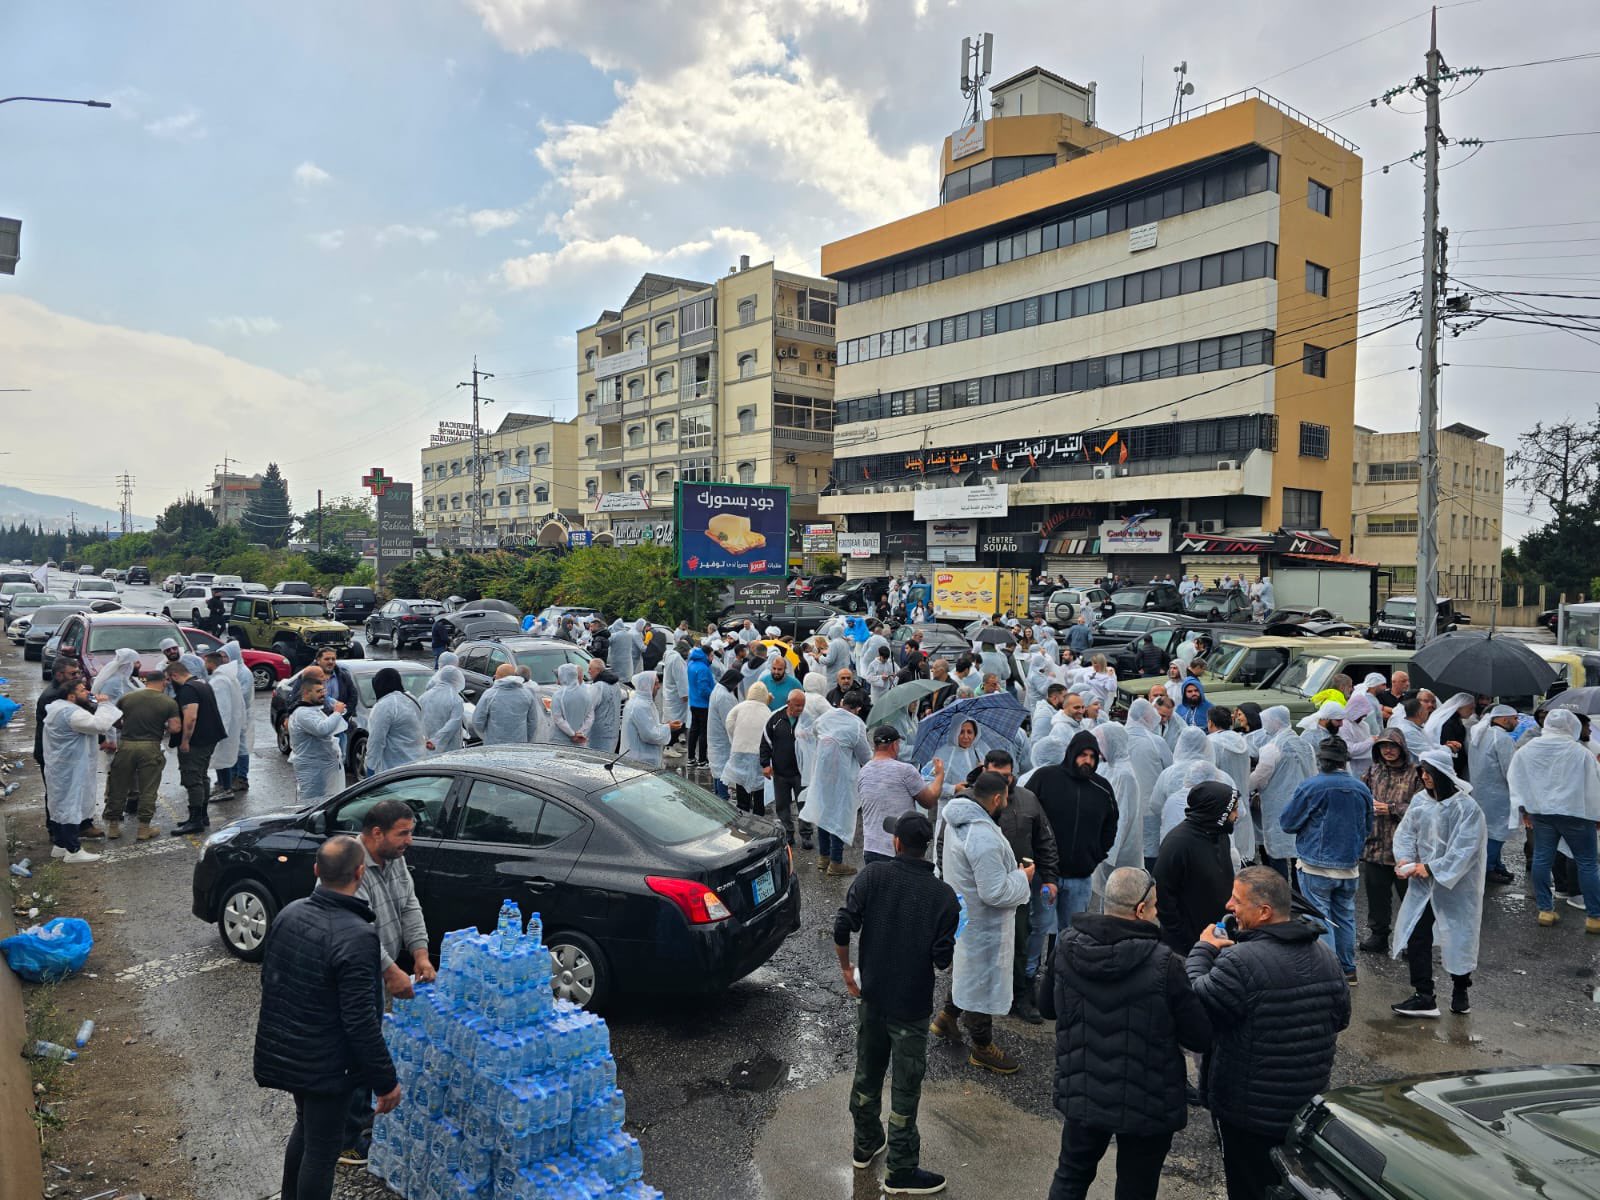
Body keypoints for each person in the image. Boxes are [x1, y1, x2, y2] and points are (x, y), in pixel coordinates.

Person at [1037, 866, 1211, 1200]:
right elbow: (1199, 1037)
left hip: (1083, 1088)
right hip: (1147, 1099)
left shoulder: (1067, 945)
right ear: (1140, 909)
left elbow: (1047, 1008)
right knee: (1137, 1188)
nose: (1157, 912)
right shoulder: (1165, 963)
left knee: (1071, 1175)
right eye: (1155, 905)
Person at [1187, 867, 1349, 1200]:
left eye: (1237, 900)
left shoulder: (1239, 962)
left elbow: (1196, 1004)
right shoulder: (1327, 957)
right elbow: (1340, 1019)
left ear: (1264, 912)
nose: (1229, 905)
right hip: (1303, 1109)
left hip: (1247, 1114)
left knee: (1248, 1187)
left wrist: (1203, 950)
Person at [254, 835, 400, 1200]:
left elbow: (271, 980)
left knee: (306, 1129)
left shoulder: (290, 913)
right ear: (360, 874)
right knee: (322, 1152)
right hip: (328, 1066)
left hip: (291, 1052)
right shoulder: (358, 935)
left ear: (317, 870)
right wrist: (386, 1082)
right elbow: (361, 1021)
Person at [833, 811, 961, 1197]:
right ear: (926, 849)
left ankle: (865, 1143)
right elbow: (942, 961)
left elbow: (843, 924)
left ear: (897, 843)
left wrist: (847, 971)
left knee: (867, 1074)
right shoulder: (944, 897)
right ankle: (901, 1169)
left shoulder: (874, 876)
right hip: (911, 1008)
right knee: (905, 1090)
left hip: (872, 999)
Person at [344, 798, 436, 1160]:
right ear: (376, 833)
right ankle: (348, 1138)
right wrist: (390, 970)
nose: (409, 840)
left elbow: (409, 905)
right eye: (403, 833)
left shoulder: (394, 860)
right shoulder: (351, 867)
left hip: (379, 970)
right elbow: (358, 930)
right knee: (357, 1050)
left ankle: (365, 1116)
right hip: (356, 974)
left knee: (374, 1044)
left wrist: (420, 954)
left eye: (411, 832)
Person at [930, 771, 1033, 1074]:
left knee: (968, 970)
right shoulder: (982, 836)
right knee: (981, 981)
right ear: (998, 798)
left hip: (966, 914)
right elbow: (995, 892)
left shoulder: (958, 822)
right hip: (984, 924)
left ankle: (947, 1017)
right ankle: (982, 1046)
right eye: (1007, 799)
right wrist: (1022, 877)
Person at [1390, 749, 1487, 1017]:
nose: (1424, 777)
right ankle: (1424, 995)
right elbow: (1406, 833)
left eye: (1429, 772)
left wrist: (1432, 868)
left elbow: (1465, 850)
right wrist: (1404, 858)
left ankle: (1460, 991)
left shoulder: (1467, 808)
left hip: (1457, 885)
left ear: (1442, 774)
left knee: (1458, 935)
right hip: (1423, 885)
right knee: (1417, 934)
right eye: (1422, 771)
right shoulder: (1420, 801)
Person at [972, 749, 1058, 1025]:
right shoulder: (969, 801)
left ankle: (1019, 995)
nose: (1003, 782)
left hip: (1018, 887)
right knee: (979, 945)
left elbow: (1045, 839)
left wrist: (1049, 878)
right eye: (997, 776)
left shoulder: (1027, 799)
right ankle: (974, 1001)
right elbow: (947, 843)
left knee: (1020, 941)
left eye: (1007, 776)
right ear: (984, 771)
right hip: (980, 888)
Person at [1280, 736, 1373, 982]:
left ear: (1321, 760)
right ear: (1344, 761)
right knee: (1345, 917)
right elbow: (1367, 827)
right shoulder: (1361, 788)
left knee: (1320, 918)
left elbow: (1288, 823)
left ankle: (1328, 973)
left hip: (1316, 865)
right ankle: (1348, 969)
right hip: (1349, 865)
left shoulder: (1311, 787)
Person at [1507, 708, 1600, 931]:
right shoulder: (1580, 752)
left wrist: (1524, 809)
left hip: (1542, 813)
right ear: (1572, 726)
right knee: (1587, 862)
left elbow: (1516, 778)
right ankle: (1595, 917)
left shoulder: (1527, 750)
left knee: (1542, 859)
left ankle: (1545, 910)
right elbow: (1595, 783)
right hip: (1576, 814)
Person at [1030, 730, 1119, 936]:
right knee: (1038, 928)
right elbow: (1026, 815)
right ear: (1072, 753)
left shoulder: (1102, 788)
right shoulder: (1045, 778)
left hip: (1080, 877)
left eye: (1092, 756)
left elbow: (1111, 824)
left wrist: (1095, 855)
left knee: (1073, 932)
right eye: (1083, 755)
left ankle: (1060, 959)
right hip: (1044, 875)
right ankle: (1035, 960)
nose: (1087, 761)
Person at [1154, 781, 1239, 957]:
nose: (1236, 815)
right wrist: (1185, 939)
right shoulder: (1177, 845)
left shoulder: (1220, 835)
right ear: (1217, 812)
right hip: (1189, 946)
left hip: (1220, 935)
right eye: (1233, 810)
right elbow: (1162, 898)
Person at [42, 677, 122, 862]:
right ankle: (73, 850)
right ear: (71, 696)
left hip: (61, 767)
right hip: (70, 769)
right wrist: (104, 704)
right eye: (82, 690)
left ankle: (60, 845)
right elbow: (100, 725)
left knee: (59, 804)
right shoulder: (72, 713)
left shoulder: (58, 708)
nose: (88, 693)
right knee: (71, 805)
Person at [801, 692, 874, 873]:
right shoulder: (857, 725)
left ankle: (823, 857)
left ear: (842, 702)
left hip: (821, 775)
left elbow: (815, 732)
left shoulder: (824, 718)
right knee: (839, 816)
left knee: (823, 813)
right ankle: (836, 862)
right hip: (842, 777)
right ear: (858, 709)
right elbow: (865, 756)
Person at [103, 668, 180, 840]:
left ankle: (113, 827)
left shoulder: (127, 698)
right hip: (150, 746)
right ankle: (144, 828)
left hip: (126, 745)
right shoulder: (168, 702)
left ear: (147, 681)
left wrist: (126, 727)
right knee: (148, 788)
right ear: (164, 681)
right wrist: (162, 726)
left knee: (118, 785)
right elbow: (175, 728)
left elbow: (114, 719)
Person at [1358, 729, 1414, 954]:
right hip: (1375, 846)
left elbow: (1425, 808)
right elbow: (1360, 798)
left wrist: (1392, 809)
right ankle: (1379, 935)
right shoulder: (1372, 771)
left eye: (1393, 746)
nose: (1388, 750)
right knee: (1377, 896)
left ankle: (1412, 940)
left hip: (1405, 851)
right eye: (1383, 746)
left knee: (1410, 897)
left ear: (1402, 747)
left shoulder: (1415, 773)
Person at [858, 726, 942, 865]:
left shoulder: (863, 772)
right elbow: (929, 801)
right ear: (894, 745)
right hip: (897, 850)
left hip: (870, 849)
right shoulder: (905, 770)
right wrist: (939, 776)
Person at [1251, 706, 1315, 881]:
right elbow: (1313, 772)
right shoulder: (1305, 745)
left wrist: (1243, 786)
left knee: (1277, 851)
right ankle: (1299, 891)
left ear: (1276, 722)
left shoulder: (1271, 748)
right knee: (1299, 852)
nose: (1265, 727)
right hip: (1304, 804)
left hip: (1277, 807)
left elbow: (1260, 777)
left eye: (1266, 722)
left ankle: (1281, 890)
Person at [165, 657, 227, 836]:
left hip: (196, 741)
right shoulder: (202, 683)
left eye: (169, 679)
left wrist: (185, 741)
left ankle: (195, 820)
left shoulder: (188, 690)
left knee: (192, 779)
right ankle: (202, 815)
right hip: (209, 738)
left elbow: (191, 717)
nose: (168, 683)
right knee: (202, 776)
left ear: (174, 675)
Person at [1467, 704, 1518, 885]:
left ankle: (1495, 864)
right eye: (1515, 718)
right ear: (1504, 719)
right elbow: (1510, 770)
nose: (1517, 722)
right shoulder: (1502, 738)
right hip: (1498, 794)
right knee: (1497, 832)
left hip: (1480, 791)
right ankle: (1488, 869)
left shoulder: (1479, 734)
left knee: (1488, 832)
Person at [759, 690, 813, 847]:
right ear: (788, 703)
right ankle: (788, 833)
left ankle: (806, 834)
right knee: (782, 805)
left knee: (804, 804)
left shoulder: (808, 719)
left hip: (801, 772)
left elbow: (816, 741)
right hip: (780, 771)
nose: (800, 709)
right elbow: (765, 742)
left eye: (803, 705)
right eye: (797, 705)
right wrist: (765, 764)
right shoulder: (775, 718)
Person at [289, 667, 348, 804]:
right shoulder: (303, 713)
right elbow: (323, 729)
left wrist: (338, 710)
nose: (323, 695)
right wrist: (336, 713)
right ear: (306, 693)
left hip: (322, 767)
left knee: (327, 802)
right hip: (313, 769)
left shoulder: (313, 710)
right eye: (318, 692)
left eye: (323, 691)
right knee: (310, 804)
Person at [364, 666, 427, 775]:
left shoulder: (384, 705)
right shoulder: (411, 699)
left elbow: (376, 740)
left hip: (395, 768)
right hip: (418, 763)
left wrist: (370, 766)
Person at [723, 681, 772, 813]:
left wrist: (736, 738)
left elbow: (729, 723)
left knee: (742, 785)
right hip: (759, 755)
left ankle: (743, 812)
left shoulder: (740, 707)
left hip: (740, 752)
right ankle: (758, 814)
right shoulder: (767, 711)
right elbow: (770, 734)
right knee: (759, 790)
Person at [203, 651, 245, 801]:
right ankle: (221, 785)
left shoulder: (220, 681)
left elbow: (223, 708)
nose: (204, 666)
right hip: (225, 726)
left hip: (222, 727)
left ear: (211, 663)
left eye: (205, 663)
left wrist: (220, 730)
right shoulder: (225, 678)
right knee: (220, 758)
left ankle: (226, 788)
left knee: (223, 758)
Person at [472, 663, 544, 745]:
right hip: (519, 744)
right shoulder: (527, 694)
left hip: (494, 744)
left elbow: (478, 721)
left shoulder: (490, 694)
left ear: (497, 677)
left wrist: (487, 736)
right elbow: (532, 722)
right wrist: (526, 740)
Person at [621, 671, 678, 768]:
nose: (659, 687)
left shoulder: (643, 702)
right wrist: (668, 728)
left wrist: (665, 726)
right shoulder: (640, 706)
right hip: (640, 761)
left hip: (642, 758)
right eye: (656, 683)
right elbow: (649, 735)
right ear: (646, 685)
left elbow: (650, 726)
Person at [420, 664, 465, 756]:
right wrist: (436, 741)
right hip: (449, 749)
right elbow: (453, 725)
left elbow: (416, 721)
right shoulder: (456, 699)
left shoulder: (424, 697)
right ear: (456, 679)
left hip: (426, 747)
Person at [549, 663, 594, 750]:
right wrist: (580, 733)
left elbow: (557, 718)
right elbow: (590, 717)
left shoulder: (558, 695)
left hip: (560, 741)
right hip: (580, 741)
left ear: (563, 676)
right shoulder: (586, 694)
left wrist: (572, 734)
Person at [685, 644, 715, 767]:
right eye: (712, 655)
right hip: (703, 705)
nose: (713, 658)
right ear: (706, 655)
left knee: (694, 731)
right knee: (703, 732)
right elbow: (703, 689)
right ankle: (702, 760)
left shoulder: (691, 664)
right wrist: (713, 696)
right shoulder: (703, 668)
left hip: (694, 702)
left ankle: (691, 757)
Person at [585, 658, 622, 754]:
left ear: (597, 670)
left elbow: (587, 708)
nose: (588, 671)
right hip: (613, 733)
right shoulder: (616, 685)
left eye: (590, 669)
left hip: (598, 735)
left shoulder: (597, 687)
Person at [659, 640, 689, 750]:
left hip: (670, 694)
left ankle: (675, 744)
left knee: (676, 721)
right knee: (676, 722)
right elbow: (681, 679)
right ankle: (669, 747)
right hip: (677, 696)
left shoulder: (670, 656)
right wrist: (685, 695)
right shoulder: (677, 659)